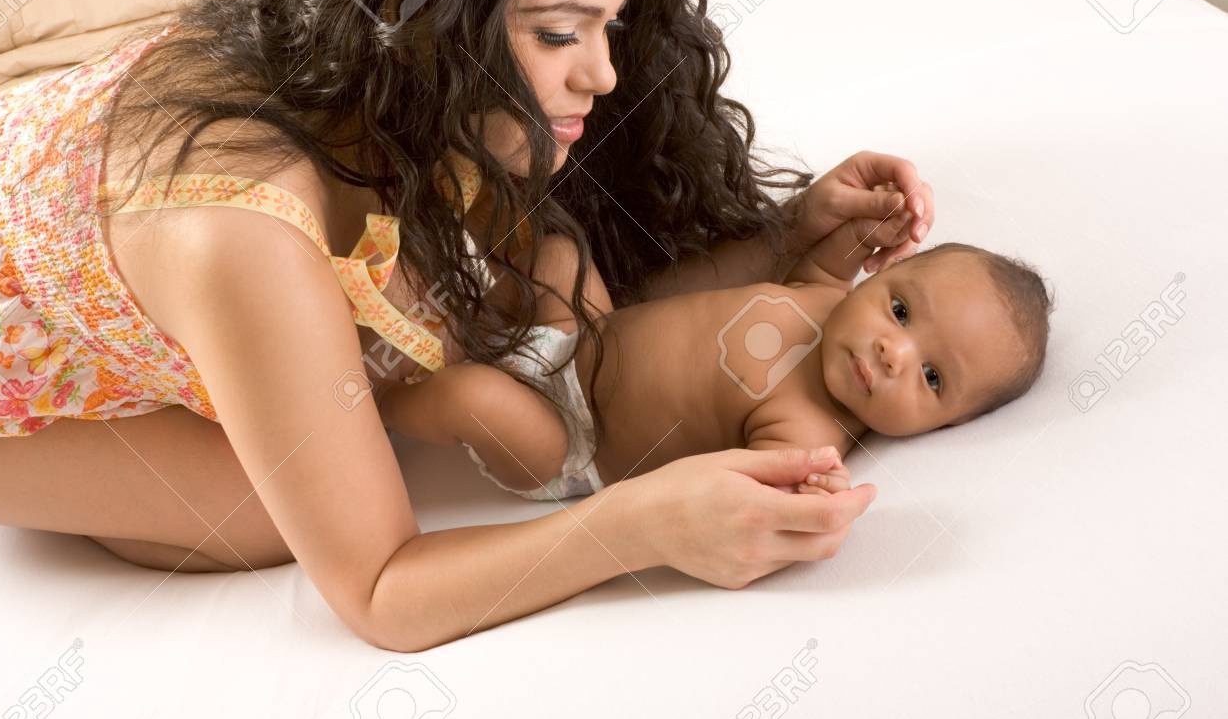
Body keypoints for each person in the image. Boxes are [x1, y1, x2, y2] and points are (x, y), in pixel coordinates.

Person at [0, 0, 932, 652]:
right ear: (424, 29)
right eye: (557, 32)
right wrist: (643, 526)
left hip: (89, 215)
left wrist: (787, 238)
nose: (605, 73)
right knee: (256, 511)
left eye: (607, 26)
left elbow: (575, 333)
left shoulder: (404, 101)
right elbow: (375, 589)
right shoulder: (244, 230)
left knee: (431, 341)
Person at [380, 205, 1052, 501]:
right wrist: (866, 220)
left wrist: (800, 490)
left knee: (471, 398)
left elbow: (743, 487)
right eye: (902, 310)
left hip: (572, 441)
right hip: (582, 336)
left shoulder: (810, 432)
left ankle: (380, 404)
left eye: (932, 377)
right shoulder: (827, 299)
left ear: (949, 424)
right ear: (879, 273)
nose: (893, 351)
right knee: (556, 248)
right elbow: (820, 261)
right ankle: (470, 315)